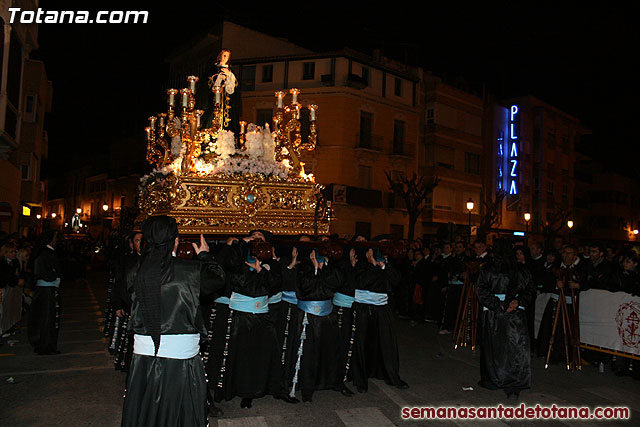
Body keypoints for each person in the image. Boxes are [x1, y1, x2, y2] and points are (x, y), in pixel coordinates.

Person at [121, 216, 226, 427]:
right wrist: (205, 255)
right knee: (181, 411)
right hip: (181, 357)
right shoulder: (190, 272)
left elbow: (128, 300)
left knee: (147, 408)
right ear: (175, 241)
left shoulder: (135, 271)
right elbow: (218, 279)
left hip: (145, 355)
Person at [477, 239, 536, 398]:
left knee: (495, 348)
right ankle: (513, 382)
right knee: (514, 348)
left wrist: (501, 304)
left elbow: (481, 291)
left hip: (496, 314)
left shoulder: (488, 269)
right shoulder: (520, 270)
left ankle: (495, 379)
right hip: (511, 313)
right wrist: (514, 302)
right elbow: (530, 291)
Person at [351, 244, 408, 393]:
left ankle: (391, 375)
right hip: (364, 309)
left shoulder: (387, 266)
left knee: (387, 343)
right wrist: (372, 264)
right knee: (362, 344)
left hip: (382, 308)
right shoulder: (361, 264)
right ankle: (361, 380)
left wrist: (382, 267)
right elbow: (365, 282)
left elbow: (395, 281)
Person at [28, 231, 62, 355]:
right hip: (47, 290)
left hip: (46, 290)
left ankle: (45, 344)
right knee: (47, 319)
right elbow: (45, 272)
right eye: (55, 238)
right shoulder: (45, 253)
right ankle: (45, 345)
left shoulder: (44, 252)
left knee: (46, 318)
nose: (56, 240)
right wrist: (54, 275)